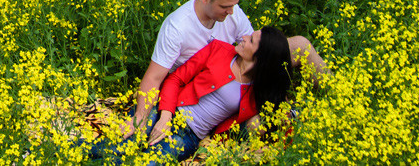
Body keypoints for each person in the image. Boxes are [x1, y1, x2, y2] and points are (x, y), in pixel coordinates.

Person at [123, 0, 327, 143]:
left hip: (235, 72)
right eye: (225, 6)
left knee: (301, 45)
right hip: (198, 85)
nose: (231, 12)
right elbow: (154, 77)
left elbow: (257, 48)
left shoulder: (233, 12)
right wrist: (139, 120)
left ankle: (334, 96)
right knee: (257, 125)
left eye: (234, 5)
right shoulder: (177, 27)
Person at [93, 27, 294, 164]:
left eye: (250, 40)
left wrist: (266, 147)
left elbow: (282, 124)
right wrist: (165, 116)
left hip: (189, 134)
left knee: (150, 162)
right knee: (117, 147)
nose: (243, 37)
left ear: (261, 57)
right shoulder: (219, 49)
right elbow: (175, 79)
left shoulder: (260, 91)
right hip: (166, 110)